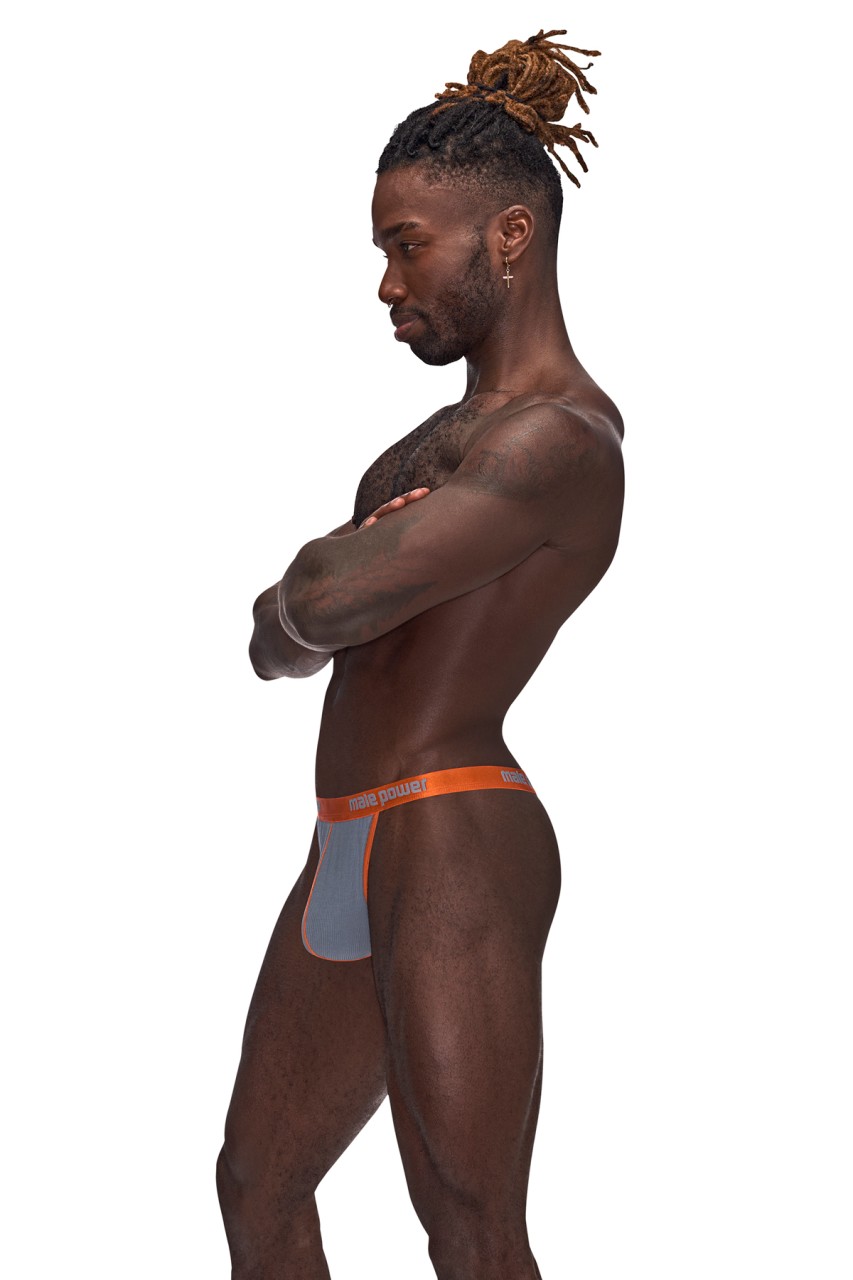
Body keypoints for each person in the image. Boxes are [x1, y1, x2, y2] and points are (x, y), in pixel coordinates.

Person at [217, 28, 624, 1280]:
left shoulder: (559, 442)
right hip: (343, 832)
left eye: (407, 247)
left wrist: (318, 585)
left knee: (465, 1217)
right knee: (258, 1186)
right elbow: (273, 644)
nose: (387, 284)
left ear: (509, 235)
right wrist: (315, 594)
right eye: (382, 252)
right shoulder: (420, 450)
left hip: (453, 829)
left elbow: (320, 601)